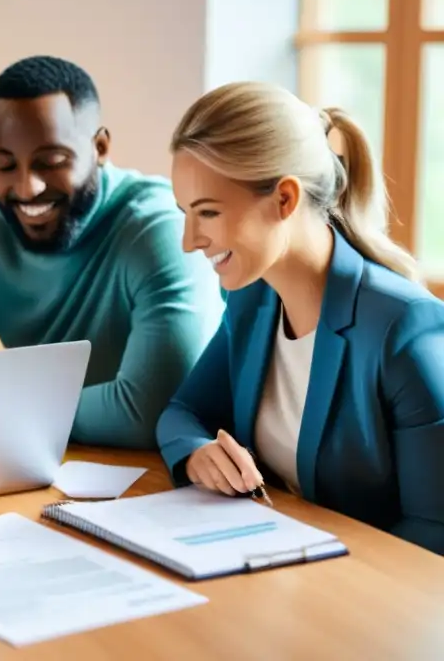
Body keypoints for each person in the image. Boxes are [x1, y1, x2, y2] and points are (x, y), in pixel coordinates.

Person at [156, 81, 444, 555]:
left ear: (285, 200)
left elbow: (433, 533)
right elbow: (184, 413)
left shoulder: (404, 330)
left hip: (371, 607)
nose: (190, 241)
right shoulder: (252, 302)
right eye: (185, 213)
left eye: (207, 213)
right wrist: (195, 454)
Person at [0, 56, 224, 449]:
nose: (27, 188)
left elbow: (146, 413)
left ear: (100, 147)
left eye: (52, 162)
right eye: (5, 165)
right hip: (41, 463)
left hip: (157, 479)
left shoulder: (158, 228)